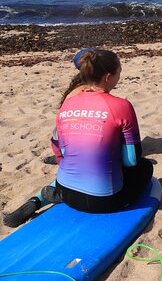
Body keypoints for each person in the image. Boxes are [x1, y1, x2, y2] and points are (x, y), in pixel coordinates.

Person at [3, 49, 153, 227]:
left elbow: (64, 151)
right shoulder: (122, 105)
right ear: (108, 77)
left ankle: (45, 197)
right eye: (119, 72)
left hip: (67, 191)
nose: (120, 76)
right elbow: (131, 161)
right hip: (105, 200)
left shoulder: (68, 102)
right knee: (145, 167)